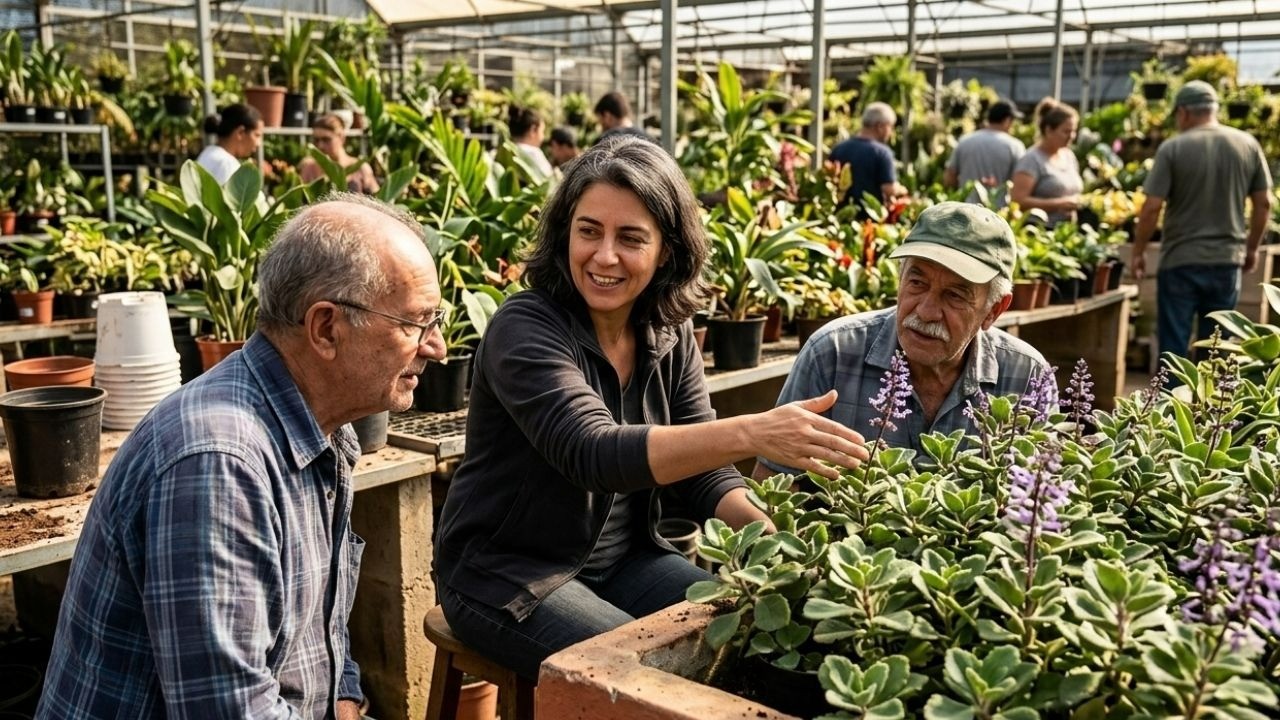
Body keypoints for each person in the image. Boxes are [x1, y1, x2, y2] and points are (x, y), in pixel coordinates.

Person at [433, 135, 869, 681]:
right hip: (508, 577)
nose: (604, 255)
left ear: (667, 249)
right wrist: (754, 432)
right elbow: (589, 451)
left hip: (627, 562)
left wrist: (781, 547)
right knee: (651, 683)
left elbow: (704, 475)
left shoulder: (666, 329)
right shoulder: (525, 327)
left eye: (631, 238)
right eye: (588, 230)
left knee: (771, 642)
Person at [37, 193, 446, 719]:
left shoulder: (325, 427)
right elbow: (228, 711)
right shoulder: (217, 465)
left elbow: (322, 633)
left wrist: (344, 700)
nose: (435, 346)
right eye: (415, 323)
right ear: (325, 328)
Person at [753, 202, 1053, 477]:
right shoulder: (832, 353)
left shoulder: (1027, 376)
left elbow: (1044, 497)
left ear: (994, 310)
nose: (926, 311)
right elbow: (775, 490)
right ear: (899, 278)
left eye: (955, 295)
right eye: (917, 282)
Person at [1132, 80, 1274, 361]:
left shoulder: (1173, 148)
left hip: (1180, 260)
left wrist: (1138, 251)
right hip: (1225, 260)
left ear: (1183, 112)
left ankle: (1172, 403)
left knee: (1174, 347)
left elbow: (1151, 208)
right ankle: (1212, 405)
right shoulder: (1247, 144)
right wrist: (1252, 248)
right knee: (1217, 347)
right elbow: (1264, 203)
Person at [1010, 98, 1083, 227]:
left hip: (1067, 231)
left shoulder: (1068, 156)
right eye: (1066, 131)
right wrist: (1059, 204)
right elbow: (1017, 200)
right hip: (1040, 232)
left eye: (1074, 131)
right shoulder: (1031, 160)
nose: (1071, 136)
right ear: (1049, 130)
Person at [829, 102, 908, 217]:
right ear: (880, 126)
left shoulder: (840, 148)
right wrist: (901, 189)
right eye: (890, 126)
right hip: (869, 222)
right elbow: (889, 189)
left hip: (839, 217)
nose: (891, 132)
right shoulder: (882, 153)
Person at [944, 100, 1026, 205]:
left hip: (965, 210)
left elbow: (949, 177)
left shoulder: (965, 141)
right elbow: (1020, 183)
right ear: (1007, 120)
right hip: (997, 213)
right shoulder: (1015, 146)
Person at [298, 113, 380, 194]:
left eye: (326, 139)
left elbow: (378, 199)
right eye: (316, 140)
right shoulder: (309, 168)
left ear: (341, 138)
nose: (320, 146)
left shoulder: (360, 167)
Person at [196, 103, 263, 185]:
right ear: (240, 132)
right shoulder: (227, 164)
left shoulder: (208, 152)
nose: (259, 143)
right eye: (257, 135)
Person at [508, 105, 554, 180]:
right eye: (542, 131)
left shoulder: (501, 152)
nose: (543, 137)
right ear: (533, 130)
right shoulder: (534, 153)